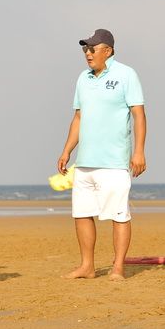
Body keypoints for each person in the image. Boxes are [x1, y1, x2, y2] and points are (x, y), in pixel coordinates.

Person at [57, 29, 147, 281]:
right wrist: (66, 150)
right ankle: (87, 266)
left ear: (107, 50)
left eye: (92, 48)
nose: (87, 53)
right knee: (82, 214)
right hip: (85, 162)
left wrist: (139, 151)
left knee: (118, 215)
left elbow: (139, 114)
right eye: (85, 49)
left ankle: (118, 267)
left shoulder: (126, 75)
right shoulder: (83, 79)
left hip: (114, 161)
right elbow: (78, 117)